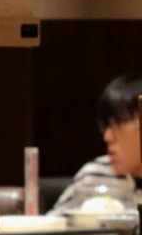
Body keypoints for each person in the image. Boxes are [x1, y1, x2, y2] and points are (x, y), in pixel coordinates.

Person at [49, 72, 142, 213]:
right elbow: (53, 228)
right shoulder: (94, 176)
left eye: (118, 124)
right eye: (107, 125)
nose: (107, 137)